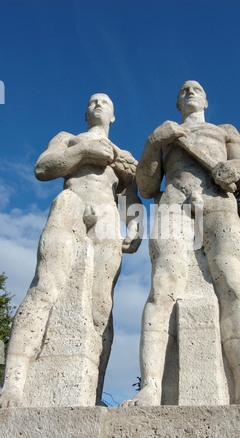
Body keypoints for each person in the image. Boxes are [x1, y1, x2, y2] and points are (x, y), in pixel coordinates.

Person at [123, 80, 240, 406]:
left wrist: (236, 167)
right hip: (172, 204)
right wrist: (151, 144)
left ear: (206, 99)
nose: (189, 92)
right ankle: (151, 388)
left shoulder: (224, 129)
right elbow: (145, 187)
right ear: (177, 104)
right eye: (183, 90)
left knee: (231, 283)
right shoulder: (166, 134)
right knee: (162, 288)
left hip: (218, 205)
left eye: (195, 89)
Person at [0, 93, 142, 408]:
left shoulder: (123, 156)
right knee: (45, 287)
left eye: (105, 102)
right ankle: (12, 385)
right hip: (71, 203)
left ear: (113, 116)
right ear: (85, 111)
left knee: (101, 305)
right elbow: (43, 168)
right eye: (92, 101)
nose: (98, 104)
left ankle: (92, 394)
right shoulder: (69, 137)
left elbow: (131, 196)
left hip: (106, 216)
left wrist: (136, 230)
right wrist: (82, 150)